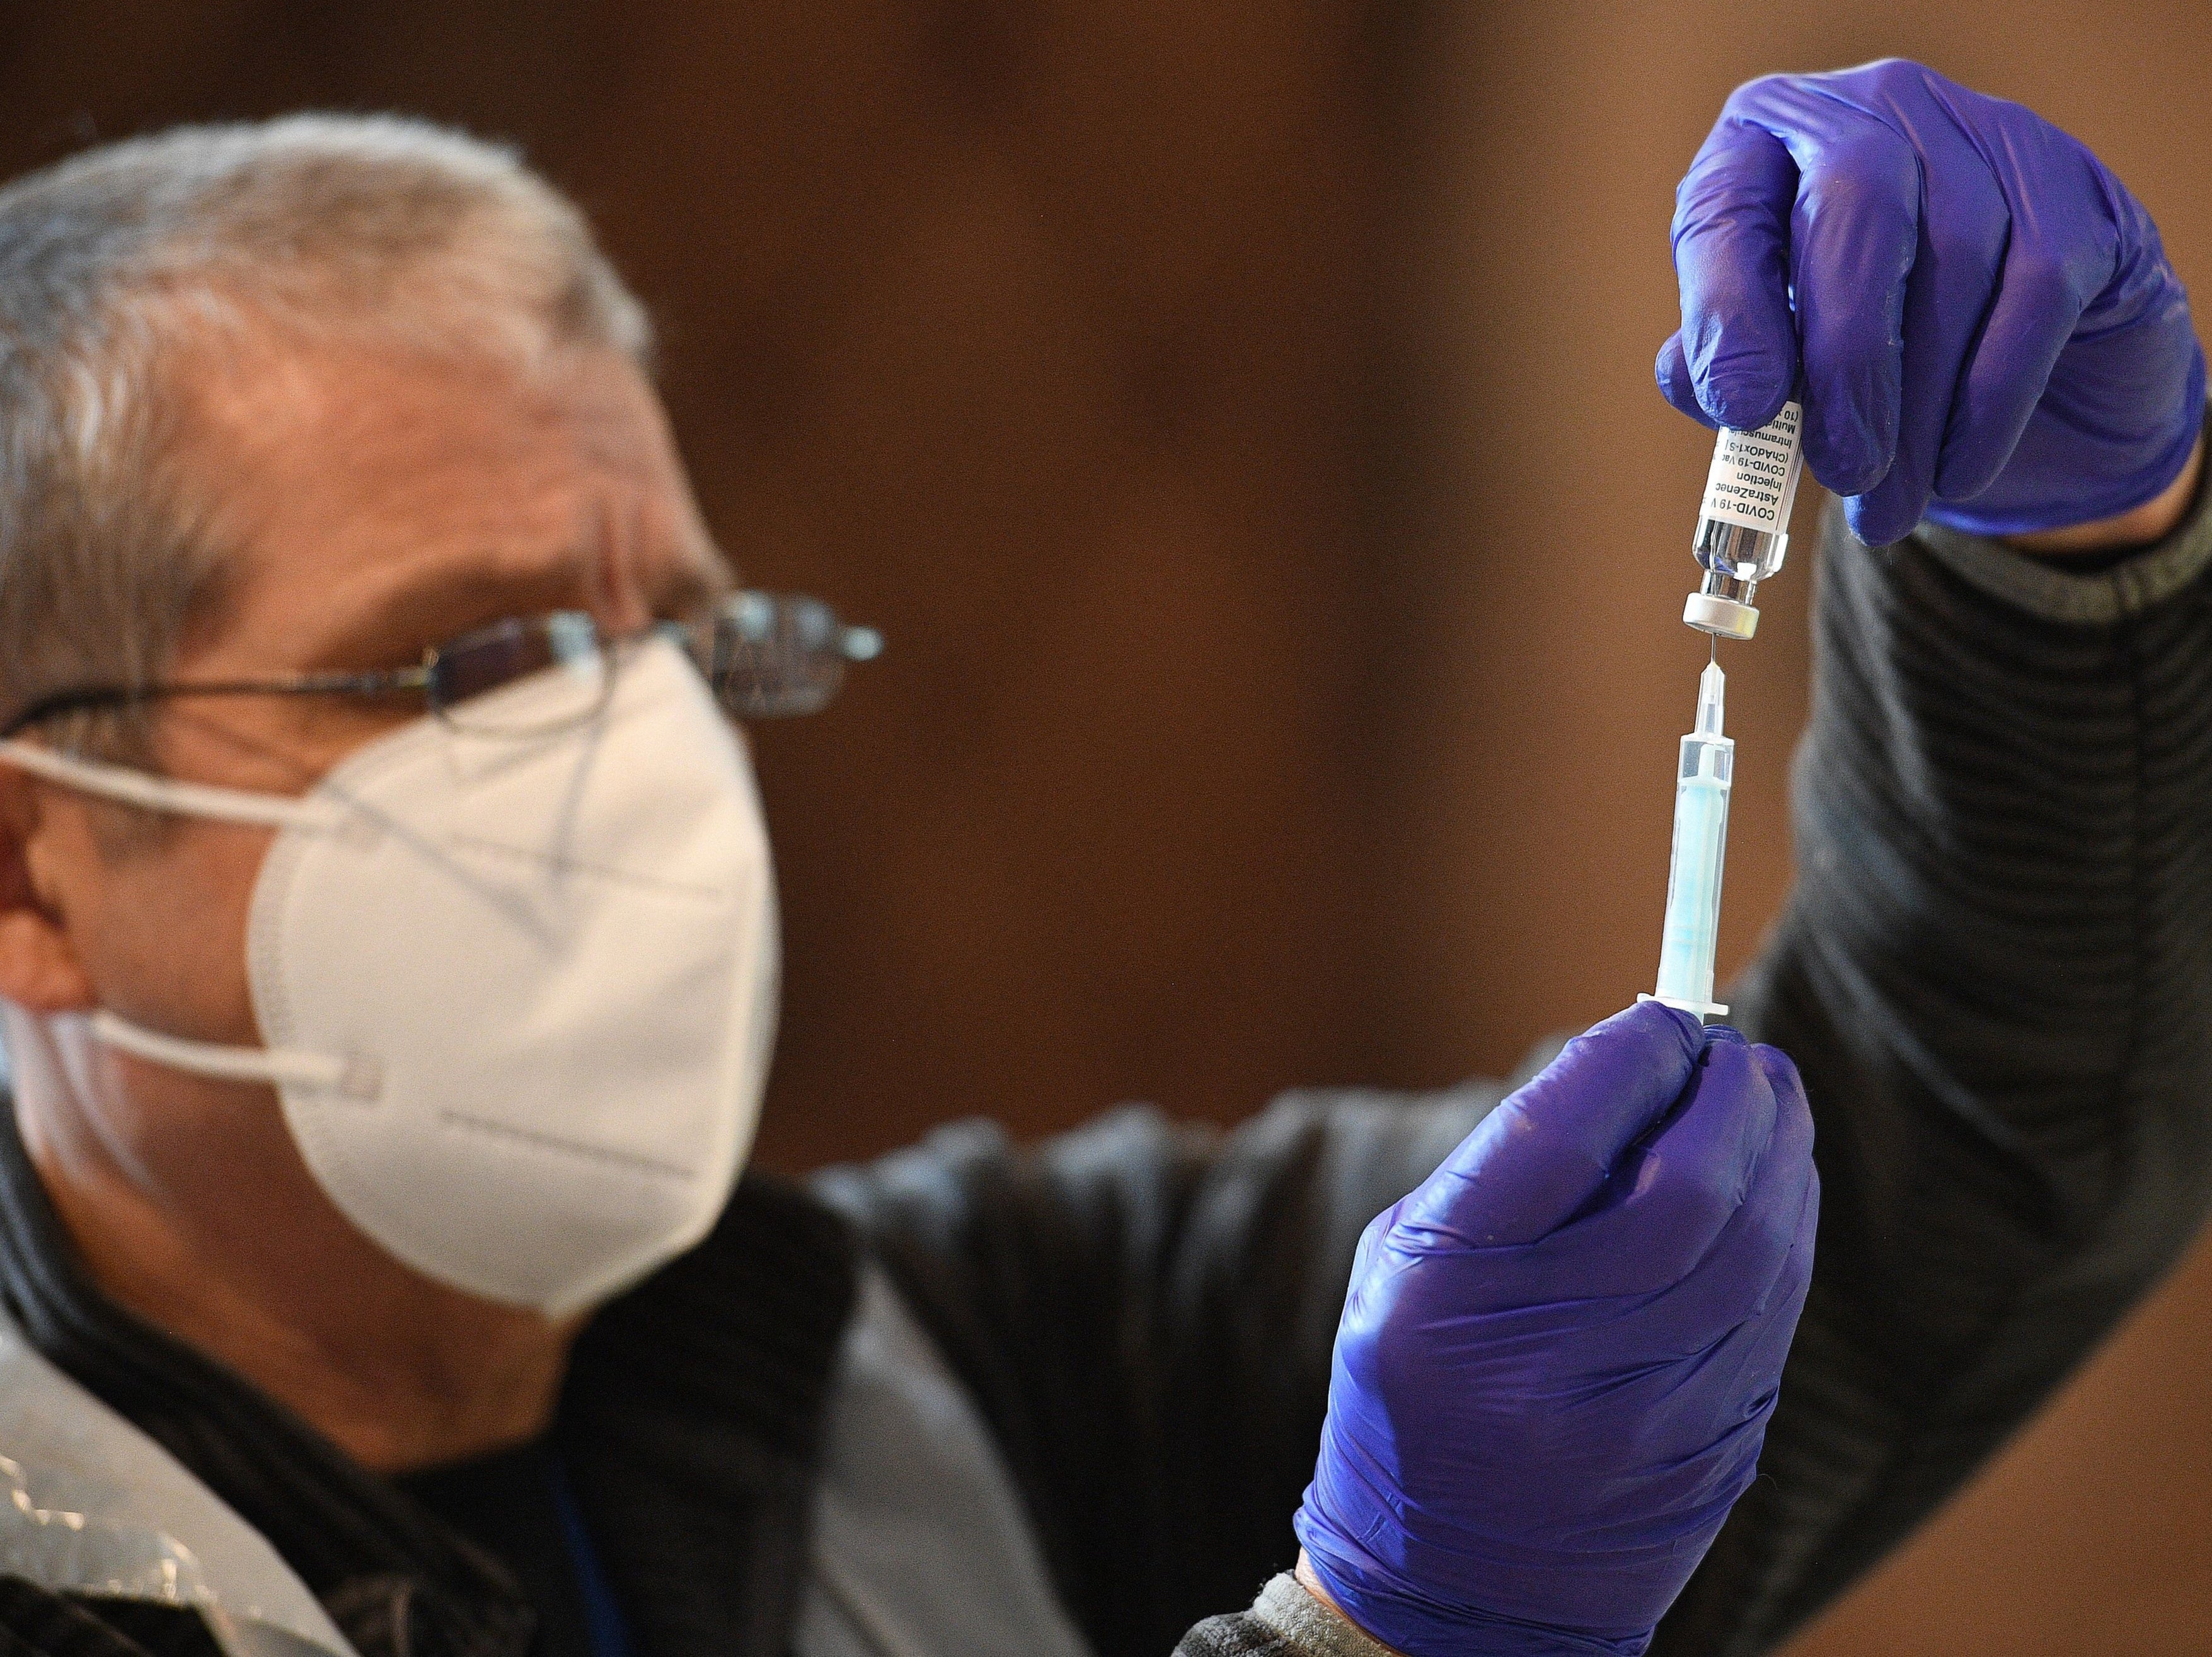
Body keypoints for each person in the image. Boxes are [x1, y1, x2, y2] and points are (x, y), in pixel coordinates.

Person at [0, 53, 2199, 1657]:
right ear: (33, 876)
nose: (637, 751)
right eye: (470, 659)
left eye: (685, 639)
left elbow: (1967, 1133)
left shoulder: (936, 1378)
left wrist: (2070, 544)